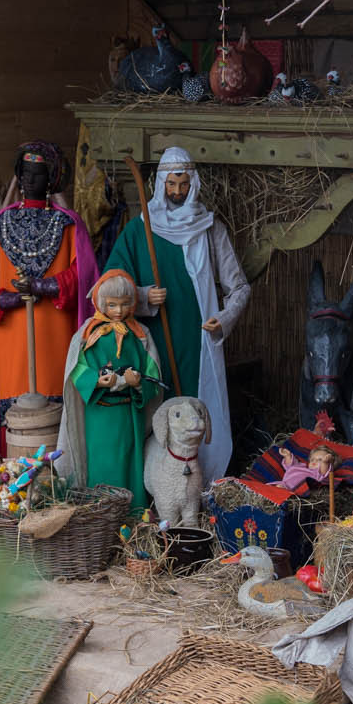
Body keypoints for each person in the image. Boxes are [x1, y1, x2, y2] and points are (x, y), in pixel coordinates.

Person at [102, 147, 251, 479]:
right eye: (172, 184)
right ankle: (153, 483)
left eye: (184, 185)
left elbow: (239, 287)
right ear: (160, 185)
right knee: (154, 404)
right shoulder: (139, 230)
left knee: (196, 408)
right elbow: (107, 287)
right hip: (151, 339)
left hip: (197, 340)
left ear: (193, 184)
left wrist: (223, 320)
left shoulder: (209, 228)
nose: (178, 192)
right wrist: (141, 297)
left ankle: (197, 483)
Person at [0, 141, 99, 453]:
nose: (28, 180)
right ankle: (14, 463)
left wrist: (44, 287)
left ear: (51, 179)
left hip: (56, 330)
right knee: (15, 396)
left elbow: (85, 274)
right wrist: (5, 299)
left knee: (56, 396)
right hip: (13, 335)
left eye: (36, 174)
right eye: (24, 172)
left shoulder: (68, 225)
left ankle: (61, 465)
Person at [56, 270, 162, 512]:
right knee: (100, 464)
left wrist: (138, 382)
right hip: (98, 416)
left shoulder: (140, 336)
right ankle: (100, 514)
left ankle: (132, 515)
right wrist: (98, 381)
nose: (118, 311)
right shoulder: (88, 335)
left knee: (129, 461)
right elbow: (77, 370)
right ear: (100, 303)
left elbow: (152, 373)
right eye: (112, 305)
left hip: (128, 415)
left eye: (125, 304)